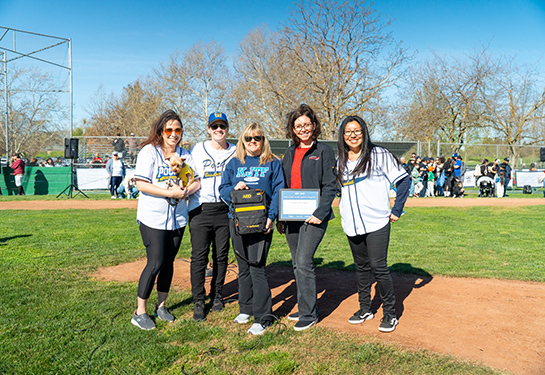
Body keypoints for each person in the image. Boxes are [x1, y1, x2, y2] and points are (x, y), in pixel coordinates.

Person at [335, 115, 410, 333]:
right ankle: (365, 308)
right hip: (351, 222)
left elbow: (403, 180)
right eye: (348, 132)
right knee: (361, 268)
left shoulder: (379, 154)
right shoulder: (340, 159)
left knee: (379, 266)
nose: (352, 135)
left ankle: (390, 313)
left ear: (364, 132)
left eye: (357, 130)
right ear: (343, 135)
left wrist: (397, 209)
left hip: (377, 221)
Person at [131, 110, 201, 330]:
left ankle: (161, 306)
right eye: (169, 129)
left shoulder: (185, 154)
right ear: (160, 131)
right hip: (153, 217)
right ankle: (139, 311)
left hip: (177, 218)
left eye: (177, 130)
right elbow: (141, 184)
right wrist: (170, 193)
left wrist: (187, 190)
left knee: (169, 263)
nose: (173, 134)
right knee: (155, 262)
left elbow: (196, 181)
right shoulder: (149, 152)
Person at [219, 122, 284, 335]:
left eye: (257, 138)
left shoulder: (272, 162)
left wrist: (271, 218)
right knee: (243, 266)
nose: (253, 142)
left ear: (263, 140)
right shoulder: (234, 163)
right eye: (248, 138)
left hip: (260, 222)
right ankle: (245, 308)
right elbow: (222, 189)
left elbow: (278, 191)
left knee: (257, 267)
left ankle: (263, 316)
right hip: (237, 221)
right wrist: (233, 189)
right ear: (243, 141)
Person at [275, 104, 337, 331]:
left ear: (314, 126)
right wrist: (281, 217)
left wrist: (319, 213)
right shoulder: (289, 152)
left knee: (304, 261)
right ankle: (305, 307)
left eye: (306, 125)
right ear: (292, 129)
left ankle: (309, 315)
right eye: (298, 125)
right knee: (296, 263)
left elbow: (330, 186)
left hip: (314, 217)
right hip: (291, 217)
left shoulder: (324, 151)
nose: (303, 129)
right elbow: (284, 185)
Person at [188, 112, 236, 321]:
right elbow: (187, 172)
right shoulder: (198, 149)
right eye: (214, 126)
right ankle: (198, 300)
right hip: (200, 208)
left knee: (221, 256)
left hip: (224, 209)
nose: (218, 130)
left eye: (222, 126)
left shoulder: (235, 151)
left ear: (227, 129)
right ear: (208, 129)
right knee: (199, 256)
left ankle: (217, 295)